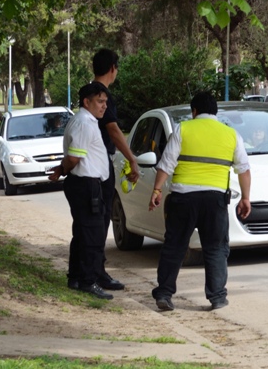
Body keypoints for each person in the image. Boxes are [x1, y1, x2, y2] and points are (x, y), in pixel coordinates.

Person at [149, 91, 251, 311]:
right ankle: (217, 297)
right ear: (215, 112)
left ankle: (165, 294)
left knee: (174, 247)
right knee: (215, 248)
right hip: (214, 200)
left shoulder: (183, 129)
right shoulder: (231, 134)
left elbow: (166, 163)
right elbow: (243, 169)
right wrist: (245, 198)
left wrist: (156, 190)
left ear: (194, 111)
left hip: (183, 198)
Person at [49, 83, 113, 300]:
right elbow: (74, 158)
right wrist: (63, 168)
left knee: (82, 233)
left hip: (85, 183)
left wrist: (60, 169)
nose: (104, 106)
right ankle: (88, 281)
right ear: (87, 102)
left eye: (105, 102)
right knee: (93, 235)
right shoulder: (85, 122)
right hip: (86, 184)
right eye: (100, 102)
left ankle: (76, 277)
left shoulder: (85, 121)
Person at [91, 48, 140, 292]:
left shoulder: (92, 93)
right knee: (99, 219)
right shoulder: (103, 95)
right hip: (99, 164)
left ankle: (93, 271)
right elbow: (112, 129)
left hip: (97, 163)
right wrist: (131, 158)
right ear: (113, 68)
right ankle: (97, 274)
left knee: (97, 219)